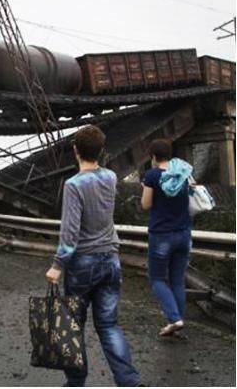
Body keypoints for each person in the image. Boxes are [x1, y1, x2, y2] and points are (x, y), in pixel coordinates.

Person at [45, 125, 141, 387]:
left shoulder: (74, 185)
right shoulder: (110, 177)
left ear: (75, 150)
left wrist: (57, 265)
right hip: (111, 259)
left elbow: (70, 232)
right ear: (101, 150)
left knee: (73, 327)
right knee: (109, 326)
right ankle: (129, 380)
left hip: (83, 264)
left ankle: (76, 382)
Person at [141, 139, 192, 337]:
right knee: (177, 280)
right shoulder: (182, 174)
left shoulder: (152, 175)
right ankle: (177, 322)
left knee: (157, 279)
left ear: (153, 157)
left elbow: (146, 204)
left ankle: (174, 318)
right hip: (183, 233)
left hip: (162, 235)